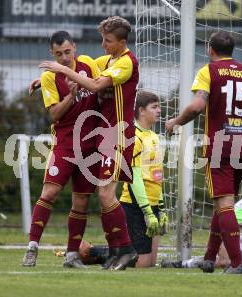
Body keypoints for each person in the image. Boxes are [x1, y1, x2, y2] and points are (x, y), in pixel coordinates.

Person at [166, 31, 242, 274]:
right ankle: (209, 258)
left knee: (225, 204)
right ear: (233, 50)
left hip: (219, 144)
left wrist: (175, 121)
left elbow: (198, 105)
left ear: (210, 49)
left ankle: (237, 264)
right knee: (224, 204)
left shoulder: (208, 71)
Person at [39, 16, 139, 270]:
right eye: (102, 40)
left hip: (118, 135)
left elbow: (94, 84)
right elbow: (85, 70)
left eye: (108, 41)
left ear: (122, 43)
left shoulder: (126, 63)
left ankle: (126, 248)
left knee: (106, 194)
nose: (103, 45)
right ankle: (117, 250)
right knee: (102, 195)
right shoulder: (110, 60)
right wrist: (43, 80)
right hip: (104, 137)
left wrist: (62, 70)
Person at [22, 30, 100, 268]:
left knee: (82, 202)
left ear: (74, 47)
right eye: (59, 54)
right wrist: (72, 96)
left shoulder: (88, 64)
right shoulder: (49, 77)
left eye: (67, 52)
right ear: (51, 54)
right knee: (49, 193)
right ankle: (32, 247)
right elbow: (54, 113)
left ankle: (72, 255)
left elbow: (102, 83)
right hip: (65, 144)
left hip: (90, 146)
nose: (64, 58)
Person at [79, 91, 168, 268]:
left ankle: (107, 252)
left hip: (153, 204)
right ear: (141, 111)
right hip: (136, 205)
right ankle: (92, 252)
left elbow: (157, 176)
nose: (159, 110)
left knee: (150, 263)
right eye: (154, 107)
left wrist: (161, 208)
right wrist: (147, 211)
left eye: (159, 106)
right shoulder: (134, 137)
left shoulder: (154, 137)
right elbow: (134, 176)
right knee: (141, 263)